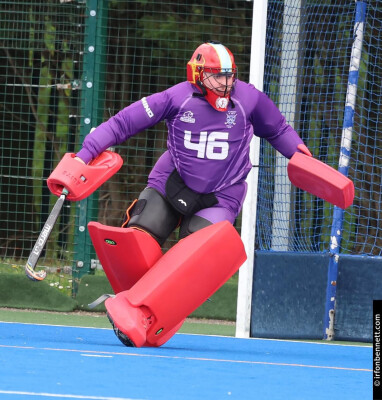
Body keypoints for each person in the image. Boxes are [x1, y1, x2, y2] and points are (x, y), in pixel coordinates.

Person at [74, 41, 311, 347]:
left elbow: (278, 129)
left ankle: (148, 313)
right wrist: (83, 157)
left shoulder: (249, 99)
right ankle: (137, 307)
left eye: (229, 75)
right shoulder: (176, 97)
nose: (225, 83)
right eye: (216, 75)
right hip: (171, 182)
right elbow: (123, 123)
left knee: (196, 260)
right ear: (197, 74)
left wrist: (300, 156)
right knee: (136, 240)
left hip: (221, 195)